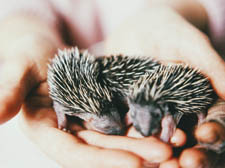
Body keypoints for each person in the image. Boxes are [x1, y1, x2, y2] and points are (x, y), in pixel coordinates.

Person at [0, 0, 225, 167]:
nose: (120, 125)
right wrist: (24, 34)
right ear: (86, 117)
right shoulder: (72, 104)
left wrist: (186, 9)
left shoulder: (112, 97)